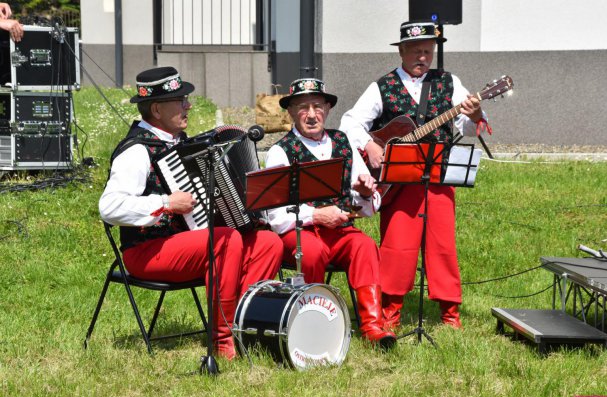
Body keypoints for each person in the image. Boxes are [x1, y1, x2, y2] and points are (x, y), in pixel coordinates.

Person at [99, 66, 283, 359]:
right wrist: (166, 204)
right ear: (157, 109)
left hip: (187, 246)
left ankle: (244, 326)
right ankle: (221, 340)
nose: (189, 105)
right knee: (224, 240)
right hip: (146, 250)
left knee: (267, 244)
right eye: (181, 100)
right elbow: (109, 207)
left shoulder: (183, 145)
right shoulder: (136, 150)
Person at [340, 21, 489, 329]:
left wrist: (474, 113)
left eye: (428, 51)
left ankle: (450, 314)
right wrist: (369, 143)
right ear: (403, 51)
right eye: (417, 51)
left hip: (438, 176)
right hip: (397, 181)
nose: (423, 56)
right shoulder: (382, 86)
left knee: (442, 245)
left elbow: (469, 126)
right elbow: (349, 122)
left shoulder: (449, 82)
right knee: (397, 245)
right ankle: (390, 311)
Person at [265, 78, 397, 348]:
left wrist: (362, 190)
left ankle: (373, 326)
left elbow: (369, 207)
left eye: (317, 106)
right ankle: (314, 325)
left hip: (339, 231)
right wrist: (316, 216)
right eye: (303, 107)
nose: (312, 115)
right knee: (313, 252)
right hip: (298, 234)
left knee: (364, 246)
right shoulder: (280, 151)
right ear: (290, 112)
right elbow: (275, 218)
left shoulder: (342, 141)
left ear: (328, 109)